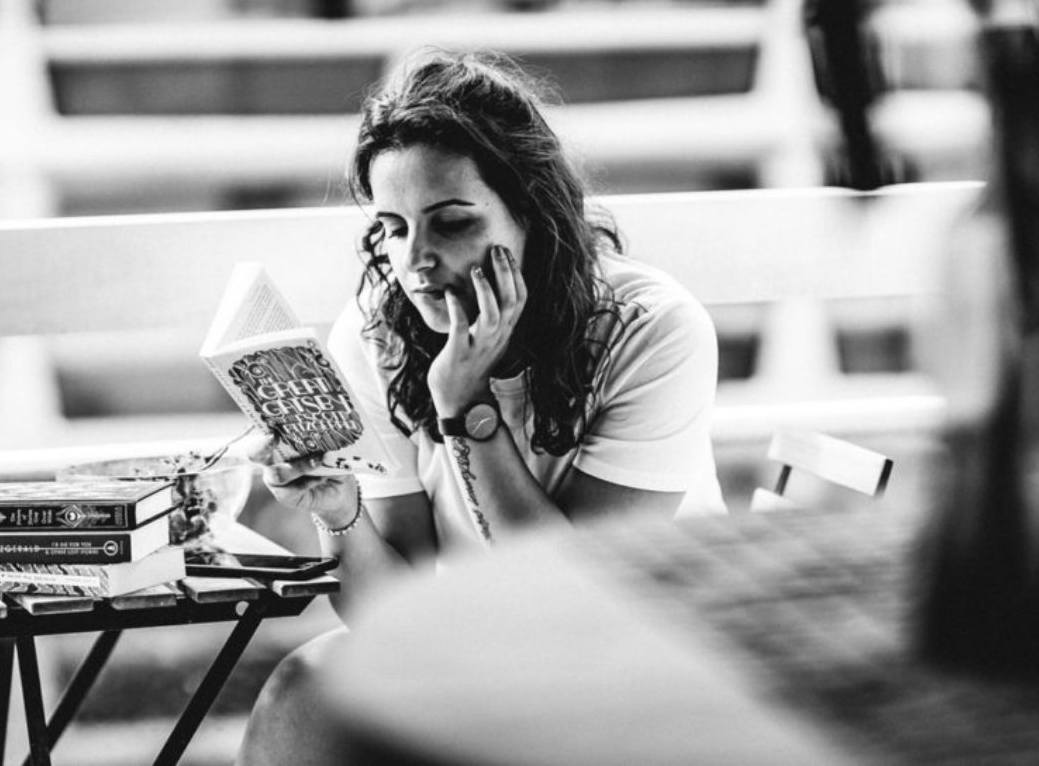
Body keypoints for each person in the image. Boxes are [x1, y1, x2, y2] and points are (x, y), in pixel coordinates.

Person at [236, 48, 724, 766]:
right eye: (394, 228)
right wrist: (337, 510)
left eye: (453, 222)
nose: (417, 263)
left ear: (529, 212)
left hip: (649, 653)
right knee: (301, 694)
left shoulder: (652, 329)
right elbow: (388, 613)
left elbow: (573, 603)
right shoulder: (376, 334)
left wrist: (467, 405)